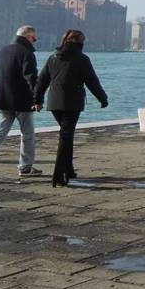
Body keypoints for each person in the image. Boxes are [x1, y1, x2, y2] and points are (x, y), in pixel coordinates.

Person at [34, 30, 108, 187]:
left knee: (67, 135)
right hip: (72, 103)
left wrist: (38, 100)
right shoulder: (82, 59)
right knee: (65, 137)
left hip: (54, 103)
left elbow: (42, 81)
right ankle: (58, 175)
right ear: (80, 42)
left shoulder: (53, 57)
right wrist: (102, 98)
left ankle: (69, 170)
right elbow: (92, 81)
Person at [0, 26, 43, 181]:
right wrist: (38, 100)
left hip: (2, 99)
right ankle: (25, 167)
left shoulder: (0, 51)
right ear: (27, 37)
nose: (35, 41)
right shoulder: (27, 53)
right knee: (28, 134)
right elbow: (31, 79)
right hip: (23, 101)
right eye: (34, 38)